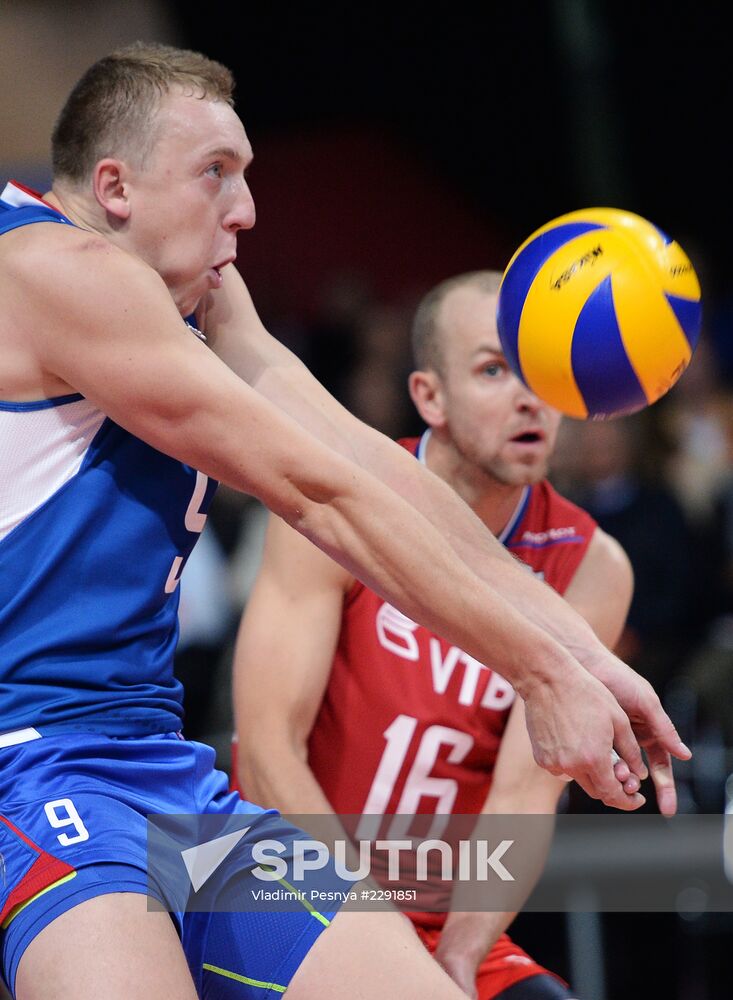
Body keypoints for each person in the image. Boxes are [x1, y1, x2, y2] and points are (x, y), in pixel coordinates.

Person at [0, 41, 685, 1000]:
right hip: (34, 770)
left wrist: (584, 660)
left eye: (245, 174)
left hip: (167, 780)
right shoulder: (51, 269)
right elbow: (317, 494)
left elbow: (369, 463)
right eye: (215, 175)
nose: (244, 210)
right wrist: (536, 670)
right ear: (114, 185)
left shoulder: (198, 292)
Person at [231, 270, 635, 999]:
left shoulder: (592, 565)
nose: (528, 395)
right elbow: (264, 752)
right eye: (492, 369)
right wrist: (377, 946)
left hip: (441, 918)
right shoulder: (338, 502)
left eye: (542, 372)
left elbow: (522, 797)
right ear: (429, 397)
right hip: (274, 883)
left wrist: (453, 960)